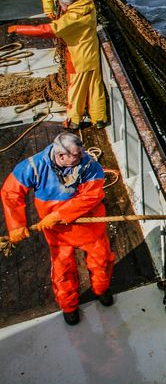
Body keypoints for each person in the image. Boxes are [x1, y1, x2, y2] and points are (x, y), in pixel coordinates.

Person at [1, 132, 115, 326]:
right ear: (61, 155)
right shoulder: (33, 167)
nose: (83, 157)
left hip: (89, 225)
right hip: (58, 233)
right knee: (62, 269)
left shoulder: (89, 165)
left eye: (81, 154)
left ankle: (101, 289)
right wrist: (16, 225)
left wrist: (58, 215)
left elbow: (92, 196)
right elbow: (11, 193)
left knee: (102, 261)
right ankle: (69, 306)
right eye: (76, 156)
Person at [9, 0, 107, 130]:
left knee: (76, 90)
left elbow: (46, 30)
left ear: (65, 5)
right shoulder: (88, 4)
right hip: (93, 55)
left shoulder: (68, 21)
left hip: (77, 60)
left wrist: (18, 29)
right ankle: (99, 118)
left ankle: (74, 120)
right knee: (96, 87)